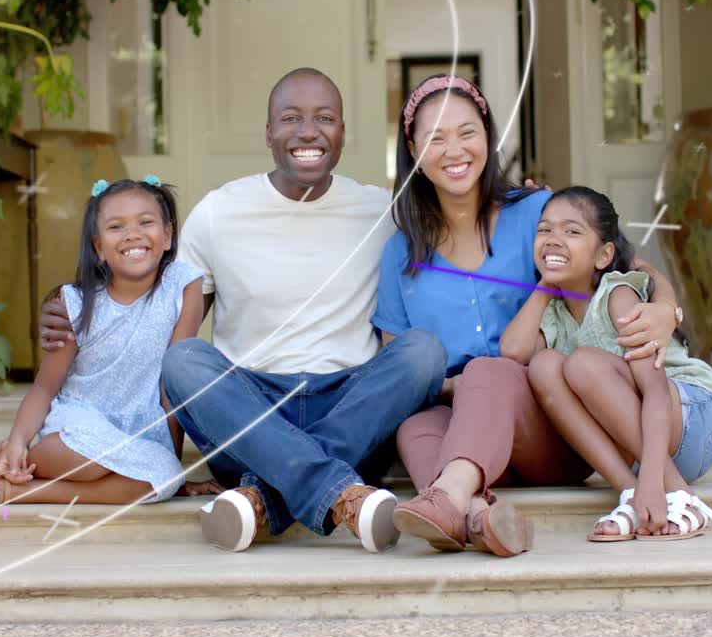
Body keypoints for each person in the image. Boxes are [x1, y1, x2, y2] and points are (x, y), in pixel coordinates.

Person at [39, 68, 447, 554]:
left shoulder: (383, 210)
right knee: (185, 361)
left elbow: (459, 233)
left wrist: (527, 209)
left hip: (346, 403)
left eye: (325, 118)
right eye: (291, 118)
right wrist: (69, 306)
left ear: (342, 133)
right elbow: (159, 312)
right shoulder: (219, 212)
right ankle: (340, 493)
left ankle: (261, 500)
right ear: (269, 133)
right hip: (248, 410)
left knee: (423, 351)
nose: (308, 131)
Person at [377, 75, 685, 556]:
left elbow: (625, 264)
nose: (453, 150)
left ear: (488, 136)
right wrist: (457, 390)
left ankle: (453, 499)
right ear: (411, 149)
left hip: (547, 427)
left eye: (466, 132)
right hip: (461, 425)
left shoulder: (538, 212)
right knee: (413, 427)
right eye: (434, 138)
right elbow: (393, 366)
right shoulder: (401, 251)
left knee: (490, 370)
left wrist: (666, 307)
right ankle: (478, 516)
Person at [0, 177, 221, 510]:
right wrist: (18, 439)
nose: (133, 234)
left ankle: (8, 490)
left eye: (146, 222)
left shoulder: (184, 286)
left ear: (168, 234)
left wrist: (174, 470)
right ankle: (4, 460)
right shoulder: (75, 302)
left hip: (137, 434)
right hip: (77, 427)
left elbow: (171, 385)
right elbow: (44, 389)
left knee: (160, 478)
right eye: (116, 227)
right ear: (98, 246)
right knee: (94, 457)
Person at [509, 186, 712, 541]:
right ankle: (630, 494)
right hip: (638, 445)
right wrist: (546, 284)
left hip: (688, 419)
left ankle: (682, 497)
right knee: (544, 364)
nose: (554, 239)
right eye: (544, 230)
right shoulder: (554, 315)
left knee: (581, 365)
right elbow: (514, 351)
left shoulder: (618, 295)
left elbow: (654, 390)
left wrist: (655, 480)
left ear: (604, 254)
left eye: (572, 231)